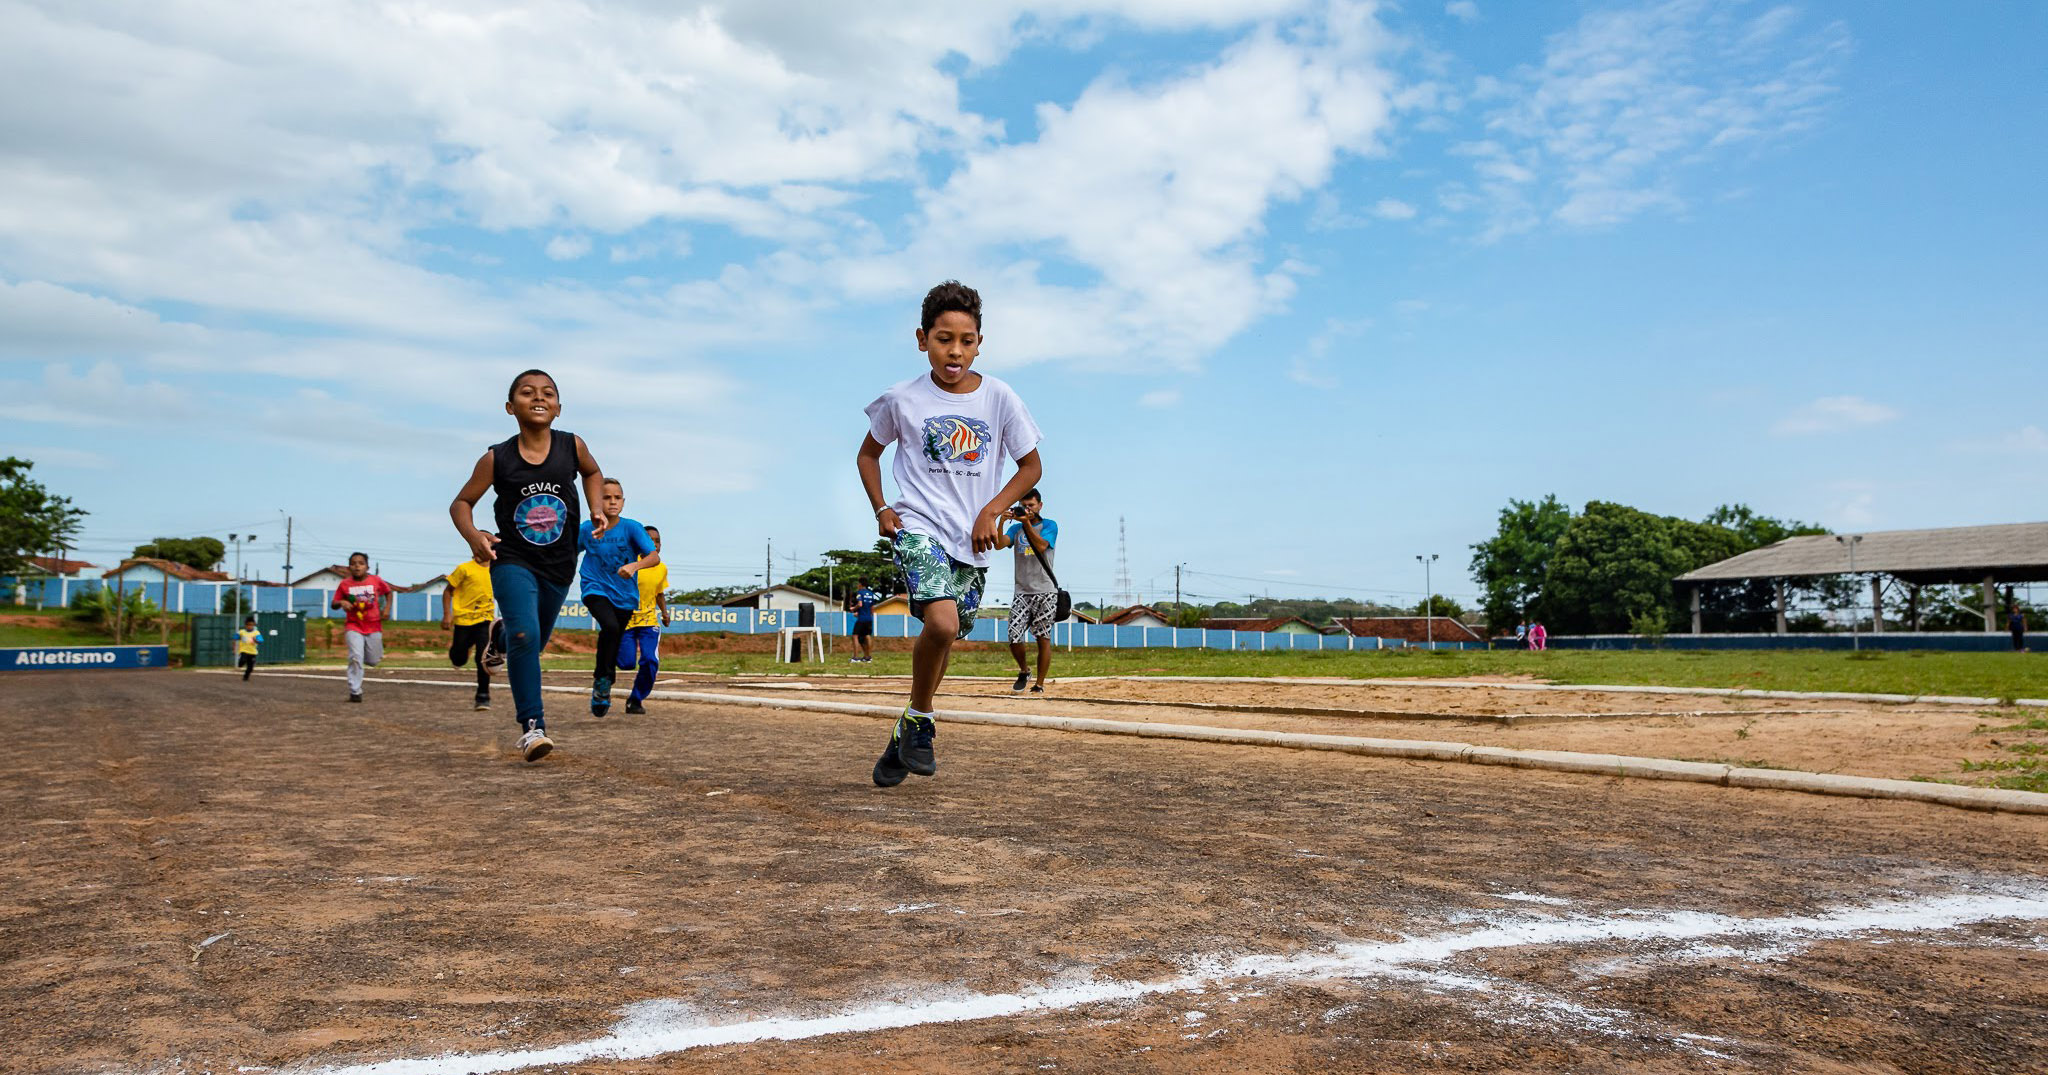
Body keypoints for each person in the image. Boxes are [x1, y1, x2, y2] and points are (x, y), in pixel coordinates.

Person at [858, 280, 1043, 787]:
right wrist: (881, 508)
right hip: (918, 524)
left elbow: (1030, 467)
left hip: (973, 539)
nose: (954, 350)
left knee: (945, 640)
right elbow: (868, 455)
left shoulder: (1000, 397)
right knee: (938, 624)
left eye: (966, 340)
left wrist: (992, 511)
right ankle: (922, 720)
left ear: (980, 342)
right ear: (923, 339)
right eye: (943, 338)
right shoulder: (902, 399)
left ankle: (906, 731)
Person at [449, 369, 611, 763]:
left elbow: (592, 473)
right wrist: (475, 536)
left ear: (558, 407)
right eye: (527, 392)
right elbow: (461, 503)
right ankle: (532, 727)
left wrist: (595, 507)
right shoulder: (497, 458)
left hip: (559, 564)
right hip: (511, 560)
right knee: (527, 638)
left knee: (530, 639)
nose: (539, 398)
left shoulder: (572, 446)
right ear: (510, 407)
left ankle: (498, 637)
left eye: (548, 393)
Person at [578, 479, 659, 718]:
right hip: (594, 588)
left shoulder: (632, 528)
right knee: (610, 627)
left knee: (612, 636)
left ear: (623, 502)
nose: (612, 501)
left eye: (617, 497)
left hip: (624, 595)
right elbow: (567, 552)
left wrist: (635, 565)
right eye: (606, 497)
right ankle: (603, 682)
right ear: (596, 501)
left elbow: (653, 557)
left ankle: (603, 681)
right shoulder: (586, 529)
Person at [993, 487, 1058, 692]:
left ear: (1040, 505)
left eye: (1031, 505)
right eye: (1023, 506)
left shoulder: (1049, 525)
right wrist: (1002, 521)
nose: (1027, 509)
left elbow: (1040, 546)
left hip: (1045, 590)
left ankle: (1039, 684)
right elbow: (998, 544)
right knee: (1014, 635)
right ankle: (1024, 670)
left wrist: (1027, 522)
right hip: (1022, 590)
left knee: (1043, 638)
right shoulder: (1016, 528)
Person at [617, 525, 670, 715]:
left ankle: (636, 699)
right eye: (650, 540)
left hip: (649, 621)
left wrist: (664, 613)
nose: (654, 544)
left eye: (658, 541)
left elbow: (659, 593)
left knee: (650, 660)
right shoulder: (628, 562)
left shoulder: (661, 568)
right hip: (626, 621)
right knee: (626, 663)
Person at [330, 552, 393, 702]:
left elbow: (388, 593)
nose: (357, 566)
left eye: (360, 563)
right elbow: (334, 603)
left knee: (373, 660)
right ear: (349, 567)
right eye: (353, 563)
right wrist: (341, 603)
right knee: (356, 656)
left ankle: (367, 657)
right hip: (354, 625)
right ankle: (355, 691)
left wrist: (387, 609)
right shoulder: (345, 584)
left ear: (367, 566)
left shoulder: (375, 580)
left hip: (374, 625)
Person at [442, 541, 497, 711]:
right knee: (458, 659)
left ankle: (483, 696)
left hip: (485, 620)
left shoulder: (496, 570)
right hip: (463, 621)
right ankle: (461, 650)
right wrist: (447, 614)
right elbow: (448, 591)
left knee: (482, 657)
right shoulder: (464, 568)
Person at [846, 579, 881, 663]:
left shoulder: (860, 593)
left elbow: (860, 604)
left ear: (860, 584)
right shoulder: (870, 594)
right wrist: (867, 614)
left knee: (855, 636)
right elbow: (872, 608)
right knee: (867, 635)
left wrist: (853, 609)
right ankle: (868, 657)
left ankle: (855, 657)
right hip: (868, 618)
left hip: (861, 619)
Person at [236, 616, 261, 681]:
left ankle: (246, 677)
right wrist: (234, 648)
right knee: (243, 660)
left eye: (251, 625)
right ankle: (240, 663)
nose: (250, 626)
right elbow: (235, 639)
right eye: (248, 625)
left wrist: (255, 640)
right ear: (245, 625)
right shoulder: (241, 632)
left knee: (250, 667)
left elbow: (260, 641)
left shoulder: (256, 633)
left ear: (253, 625)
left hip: (252, 652)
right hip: (243, 650)